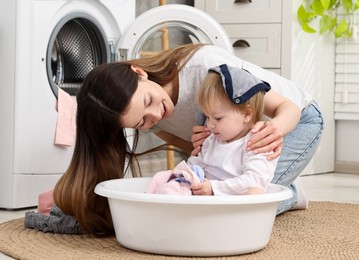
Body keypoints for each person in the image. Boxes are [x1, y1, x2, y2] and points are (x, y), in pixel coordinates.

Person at [54, 44, 324, 235]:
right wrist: (202, 144)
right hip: (237, 143)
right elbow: (202, 157)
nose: (154, 115)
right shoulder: (148, 122)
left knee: (239, 210)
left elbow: (288, 108)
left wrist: (274, 128)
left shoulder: (206, 68)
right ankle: (277, 182)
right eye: (141, 122)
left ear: (139, 72)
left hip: (297, 121)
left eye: (148, 101)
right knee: (205, 197)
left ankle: (289, 192)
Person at [147, 64, 276, 196]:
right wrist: (183, 178)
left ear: (247, 114)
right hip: (212, 199)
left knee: (255, 193)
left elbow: (254, 180)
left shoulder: (257, 143)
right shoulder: (212, 139)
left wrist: (214, 188)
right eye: (207, 117)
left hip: (235, 200)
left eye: (218, 118)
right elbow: (194, 166)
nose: (210, 125)